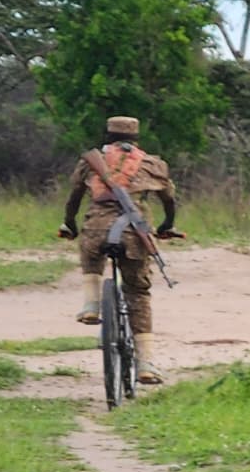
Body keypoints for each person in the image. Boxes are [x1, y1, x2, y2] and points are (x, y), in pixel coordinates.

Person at [58, 116, 182, 384]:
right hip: (134, 234)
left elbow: (73, 200)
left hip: (96, 229)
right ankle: (146, 364)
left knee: (91, 256)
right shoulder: (152, 164)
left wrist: (69, 224)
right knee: (138, 292)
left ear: (107, 135)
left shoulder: (88, 163)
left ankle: (91, 304)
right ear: (137, 138)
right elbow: (169, 201)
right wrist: (167, 224)